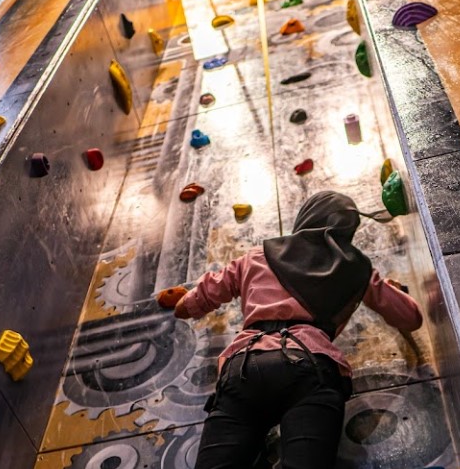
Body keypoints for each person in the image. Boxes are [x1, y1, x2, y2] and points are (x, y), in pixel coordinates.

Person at [174, 190, 423, 469]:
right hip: (311, 368)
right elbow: (411, 317)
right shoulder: (355, 268)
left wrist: (185, 302)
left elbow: (187, 306)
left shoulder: (257, 256)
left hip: (244, 368)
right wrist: (389, 289)